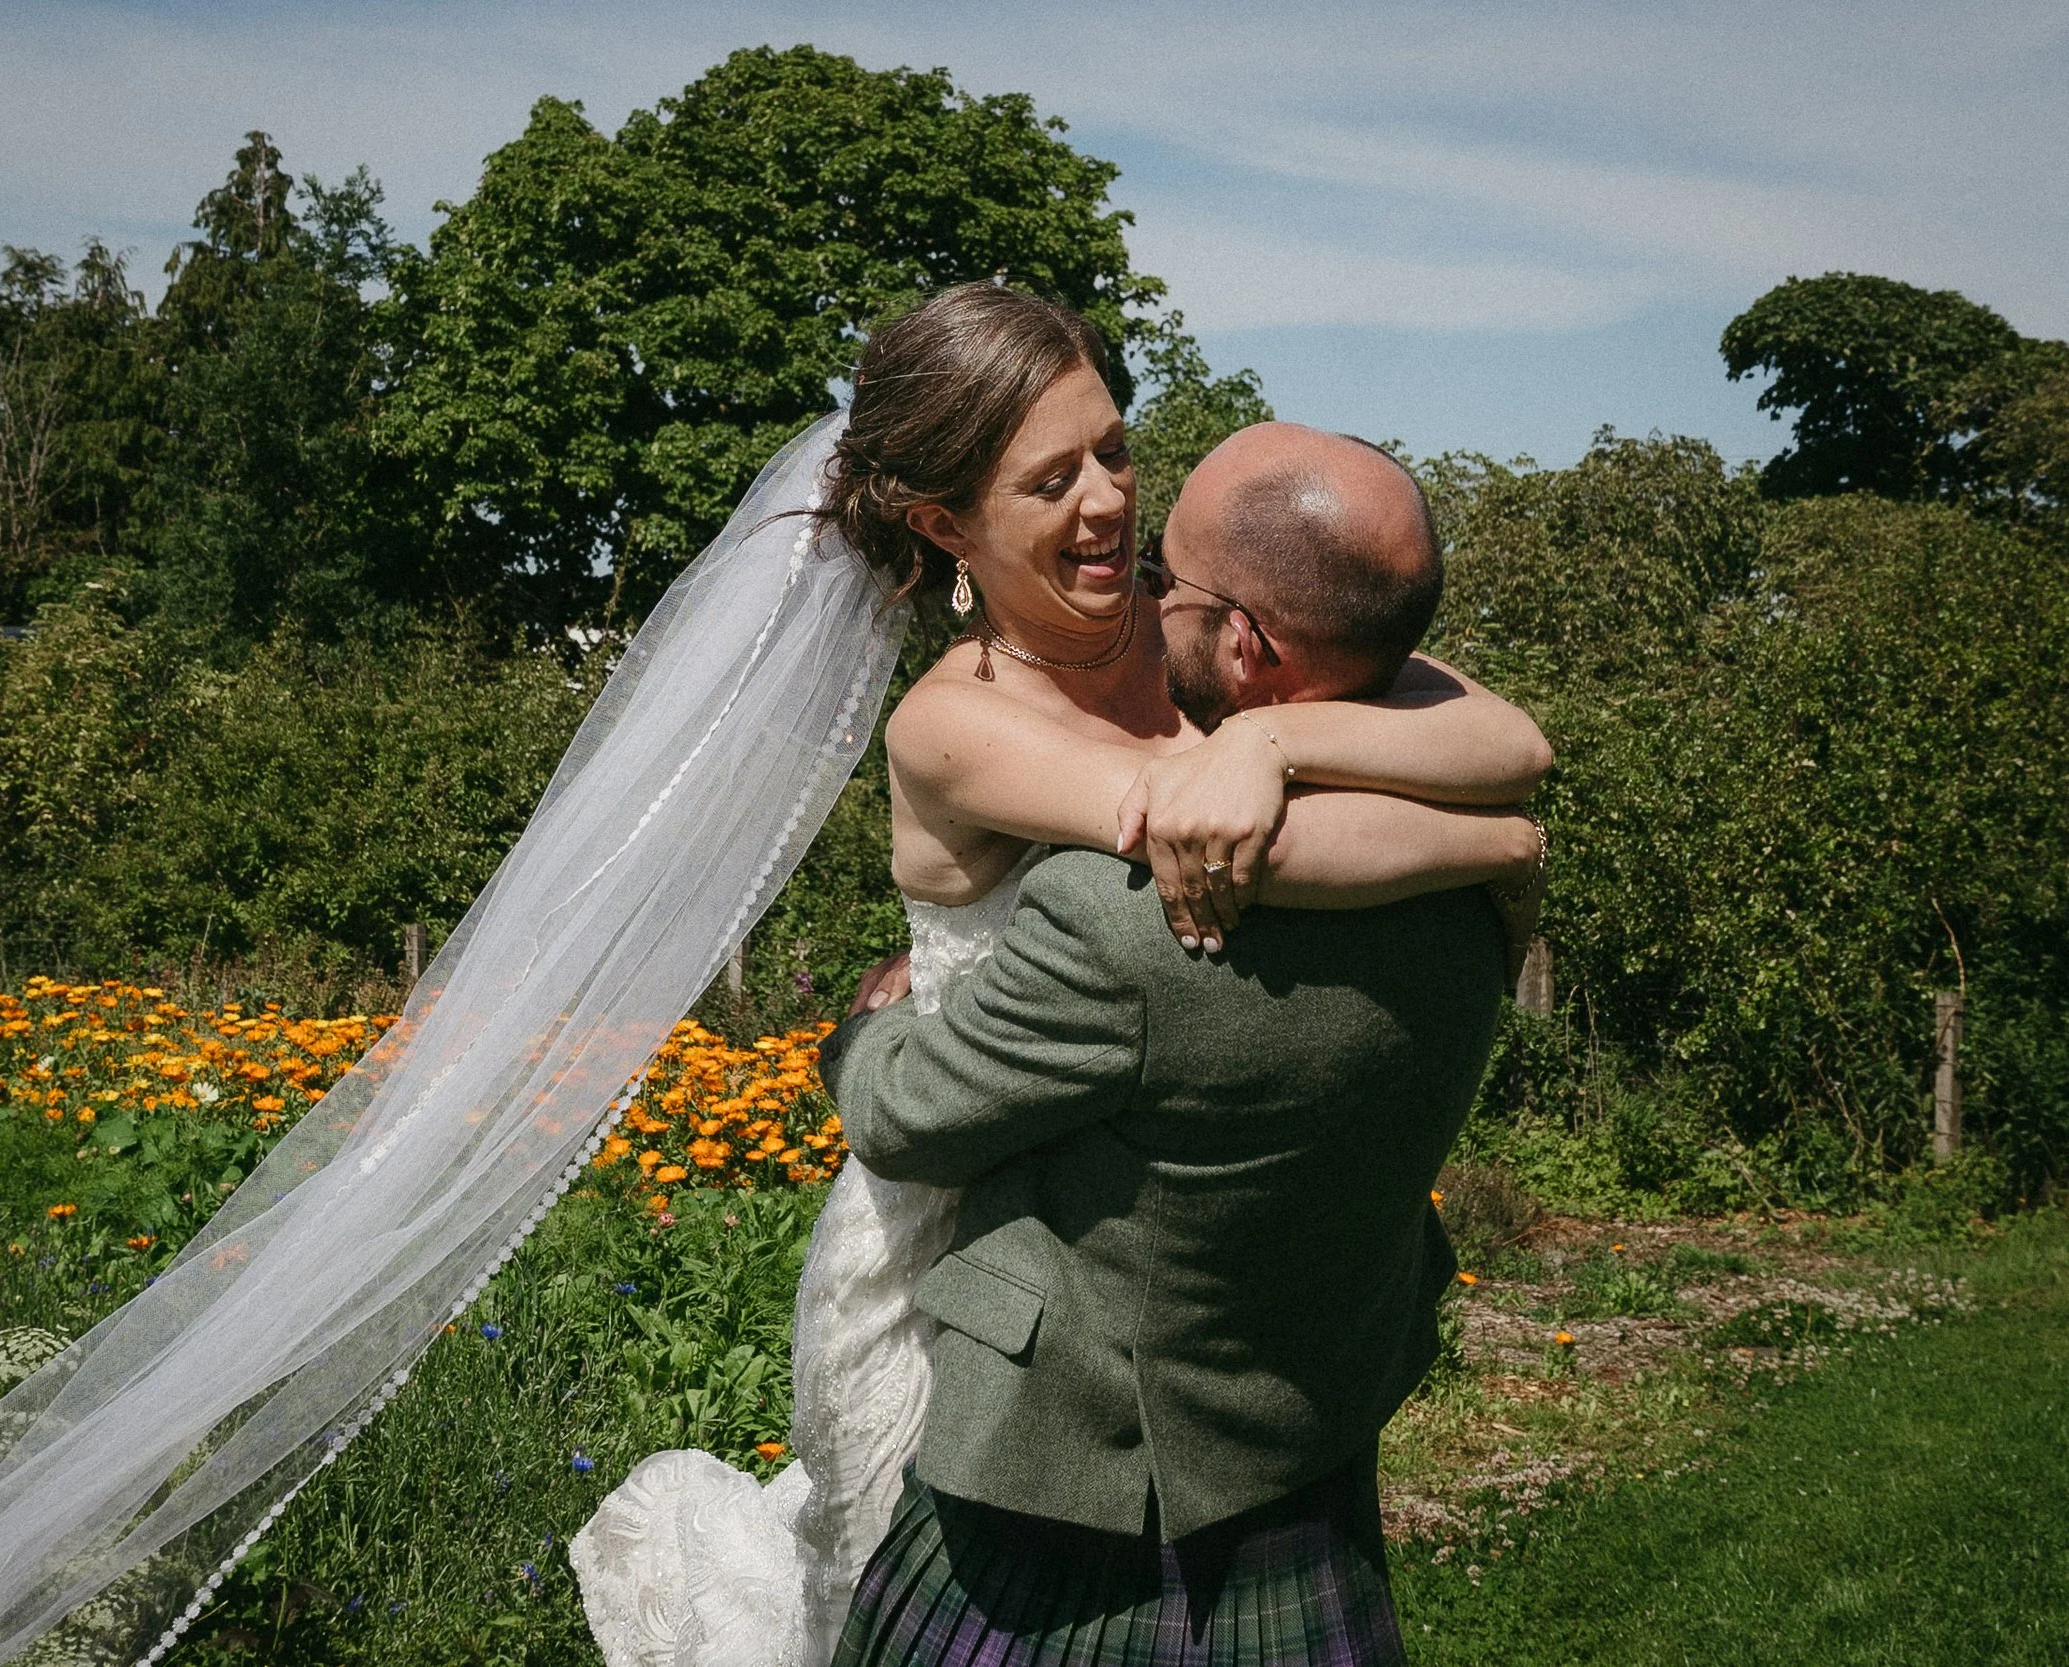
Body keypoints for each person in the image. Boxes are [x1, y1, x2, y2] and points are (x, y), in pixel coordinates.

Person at [570, 283, 1544, 1667]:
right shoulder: (959, 721)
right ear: (944, 525)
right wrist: (1489, 842)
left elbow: (1504, 730)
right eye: (1052, 477)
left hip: (1157, 1196)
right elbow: (1220, 845)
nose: (1109, 505)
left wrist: (1272, 747)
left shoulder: (1191, 610)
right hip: (962, 1232)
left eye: (1115, 450)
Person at [811, 404, 1516, 1664]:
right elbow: (1511, 740)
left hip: (1073, 1480)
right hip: (1311, 1423)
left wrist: (862, 1032)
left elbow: (906, 1115)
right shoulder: (1460, 856)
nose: (1132, 555)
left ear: (1246, 642)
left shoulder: (1117, 915)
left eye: (1170, 578)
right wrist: (1500, 839)